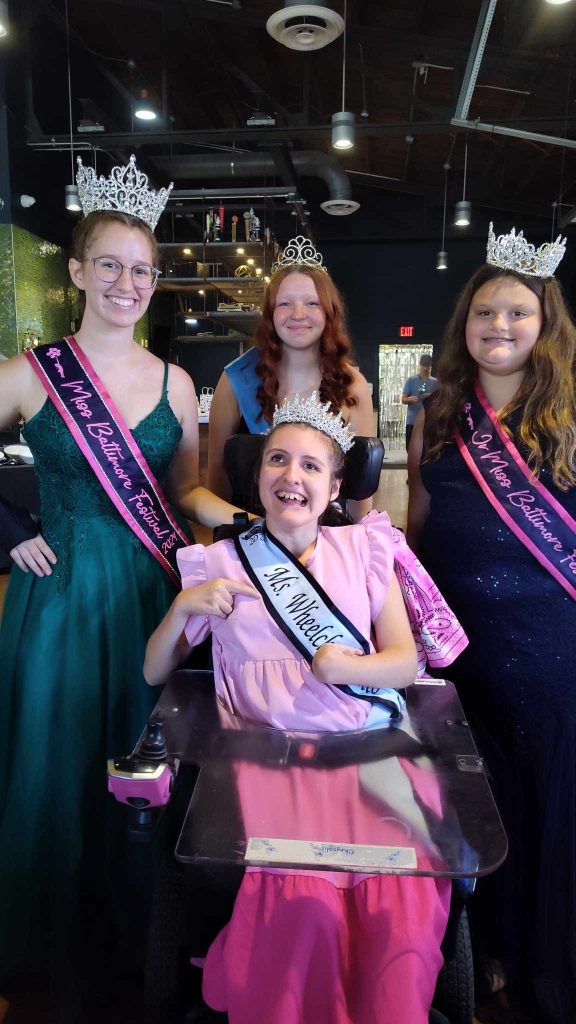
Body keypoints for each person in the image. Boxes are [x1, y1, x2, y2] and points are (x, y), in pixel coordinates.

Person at [0, 155, 245, 1017]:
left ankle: (146, 929)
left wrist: (248, 530)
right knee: (59, 759)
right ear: (76, 271)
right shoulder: (28, 372)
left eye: (142, 269)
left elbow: (184, 493)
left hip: (150, 596)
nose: (127, 282)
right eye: (110, 263)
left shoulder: (176, 383)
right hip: (59, 601)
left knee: (147, 761)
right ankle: (59, 941)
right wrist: (9, 534)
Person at [146, 394, 470, 1024]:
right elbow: (154, 669)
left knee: (398, 894)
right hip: (265, 759)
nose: (292, 476)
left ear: (336, 484)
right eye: (277, 460)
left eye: (311, 466)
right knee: (301, 901)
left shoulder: (366, 549)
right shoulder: (215, 564)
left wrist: (346, 666)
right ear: (256, 475)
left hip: (369, 751)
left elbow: (405, 662)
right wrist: (183, 609)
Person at [407, 223, 576, 1024]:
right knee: (480, 813)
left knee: (552, 817)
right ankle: (490, 959)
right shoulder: (437, 410)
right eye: (484, 314)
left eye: (517, 314)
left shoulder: (571, 413)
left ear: (545, 325)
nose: (498, 328)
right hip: (461, 655)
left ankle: (549, 971)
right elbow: (413, 526)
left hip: (553, 658)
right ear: (463, 324)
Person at [206, 235, 375, 521]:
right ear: (270, 314)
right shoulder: (236, 381)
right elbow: (218, 481)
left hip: (328, 542)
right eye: (285, 304)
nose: (298, 314)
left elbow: (361, 494)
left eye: (311, 303)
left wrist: (359, 549)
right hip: (253, 538)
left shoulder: (352, 384)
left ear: (329, 312)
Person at [401, 353, 437, 451]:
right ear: (420, 365)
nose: (425, 369)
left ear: (431, 367)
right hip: (412, 420)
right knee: (410, 448)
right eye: (424, 366)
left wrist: (431, 397)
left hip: (428, 420)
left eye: (428, 366)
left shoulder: (435, 382)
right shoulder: (411, 380)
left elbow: (440, 401)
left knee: (427, 447)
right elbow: (403, 399)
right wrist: (410, 399)